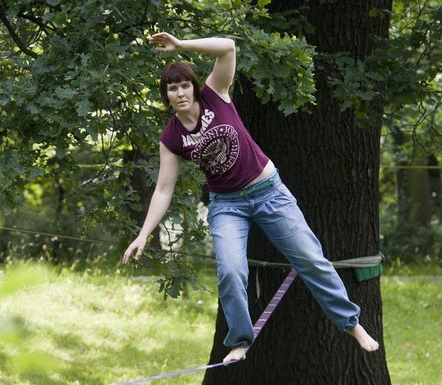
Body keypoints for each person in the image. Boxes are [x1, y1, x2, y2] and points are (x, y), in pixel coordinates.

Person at [123, 32, 379, 363]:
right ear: (166, 96)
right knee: (231, 271)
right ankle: (240, 341)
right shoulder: (171, 136)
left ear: (194, 87)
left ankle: (352, 325)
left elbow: (228, 46)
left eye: (185, 85)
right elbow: (163, 188)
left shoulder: (216, 95)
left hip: (269, 191)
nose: (180, 92)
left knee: (310, 259)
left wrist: (181, 45)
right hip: (227, 205)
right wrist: (143, 234)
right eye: (173, 88)